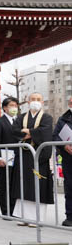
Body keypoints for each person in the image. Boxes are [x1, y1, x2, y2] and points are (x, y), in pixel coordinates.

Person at [11, 92, 54, 223]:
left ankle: (37, 218)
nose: (36, 101)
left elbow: (45, 132)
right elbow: (14, 131)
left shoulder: (47, 118)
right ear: (28, 102)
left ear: (42, 102)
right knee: (23, 184)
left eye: (38, 99)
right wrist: (33, 132)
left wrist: (27, 131)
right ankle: (23, 217)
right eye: (33, 99)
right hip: (24, 156)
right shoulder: (21, 117)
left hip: (39, 156)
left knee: (38, 186)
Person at [0, 97, 19, 218]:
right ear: (5, 107)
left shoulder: (18, 121)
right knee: (5, 184)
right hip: (5, 157)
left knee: (15, 184)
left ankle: (14, 210)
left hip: (18, 157)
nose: (14, 108)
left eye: (15, 105)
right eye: (11, 105)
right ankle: (5, 210)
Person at [53, 95, 72, 227]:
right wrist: (64, 145)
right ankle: (70, 216)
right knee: (70, 187)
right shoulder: (63, 119)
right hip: (69, 158)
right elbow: (55, 136)